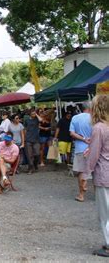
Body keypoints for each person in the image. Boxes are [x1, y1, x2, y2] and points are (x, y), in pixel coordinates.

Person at [86, 95, 109, 257]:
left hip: (104, 173)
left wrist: (87, 172)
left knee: (105, 212)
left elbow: (94, 154)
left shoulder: (99, 128)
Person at [70, 102, 92, 202]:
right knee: (96, 171)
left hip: (80, 148)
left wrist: (83, 139)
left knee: (81, 171)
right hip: (94, 147)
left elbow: (72, 133)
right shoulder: (95, 118)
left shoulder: (75, 118)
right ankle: (99, 194)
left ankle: (81, 195)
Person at [24, 109, 40, 174]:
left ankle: (35, 164)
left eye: (34, 113)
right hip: (28, 139)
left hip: (36, 139)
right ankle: (31, 168)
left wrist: (36, 114)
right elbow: (25, 129)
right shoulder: (27, 120)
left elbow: (41, 120)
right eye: (33, 113)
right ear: (30, 114)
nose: (34, 114)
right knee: (29, 155)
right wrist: (25, 138)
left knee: (37, 154)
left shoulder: (37, 119)